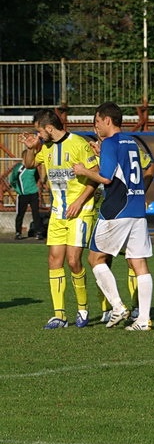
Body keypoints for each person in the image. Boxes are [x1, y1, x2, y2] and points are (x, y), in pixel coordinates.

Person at [73, 102, 154, 331]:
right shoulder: (131, 141)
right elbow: (124, 170)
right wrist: (102, 156)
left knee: (95, 259)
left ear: (107, 120)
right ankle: (143, 320)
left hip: (117, 209)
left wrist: (83, 170)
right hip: (137, 208)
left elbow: (107, 178)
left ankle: (117, 307)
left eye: (97, 122)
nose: (96, 127)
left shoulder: (109, 142)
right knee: (139, 264)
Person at [20, 109, 99, 329]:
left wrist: (79, 202)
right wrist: (29, 149)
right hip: (58, 212)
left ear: (48, 128)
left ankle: (82, 309)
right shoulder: (45, 147)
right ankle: (59, 315)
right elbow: (28, 164)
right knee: (54, 260)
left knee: (73, 261)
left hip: (80, 210)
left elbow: (95, 175)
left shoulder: (79, 144)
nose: (38, 135)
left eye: (39, 131)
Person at [10, 150, 44, 240]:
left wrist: (37, 188)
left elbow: (37, 178)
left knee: (36, 213)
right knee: (20, 214)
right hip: (22, 195)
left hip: (33, 194)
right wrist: (18, 190)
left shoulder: (33, 168)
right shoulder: (18, 168)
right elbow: (12, 180)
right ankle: (18, 232)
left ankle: (38, 232)